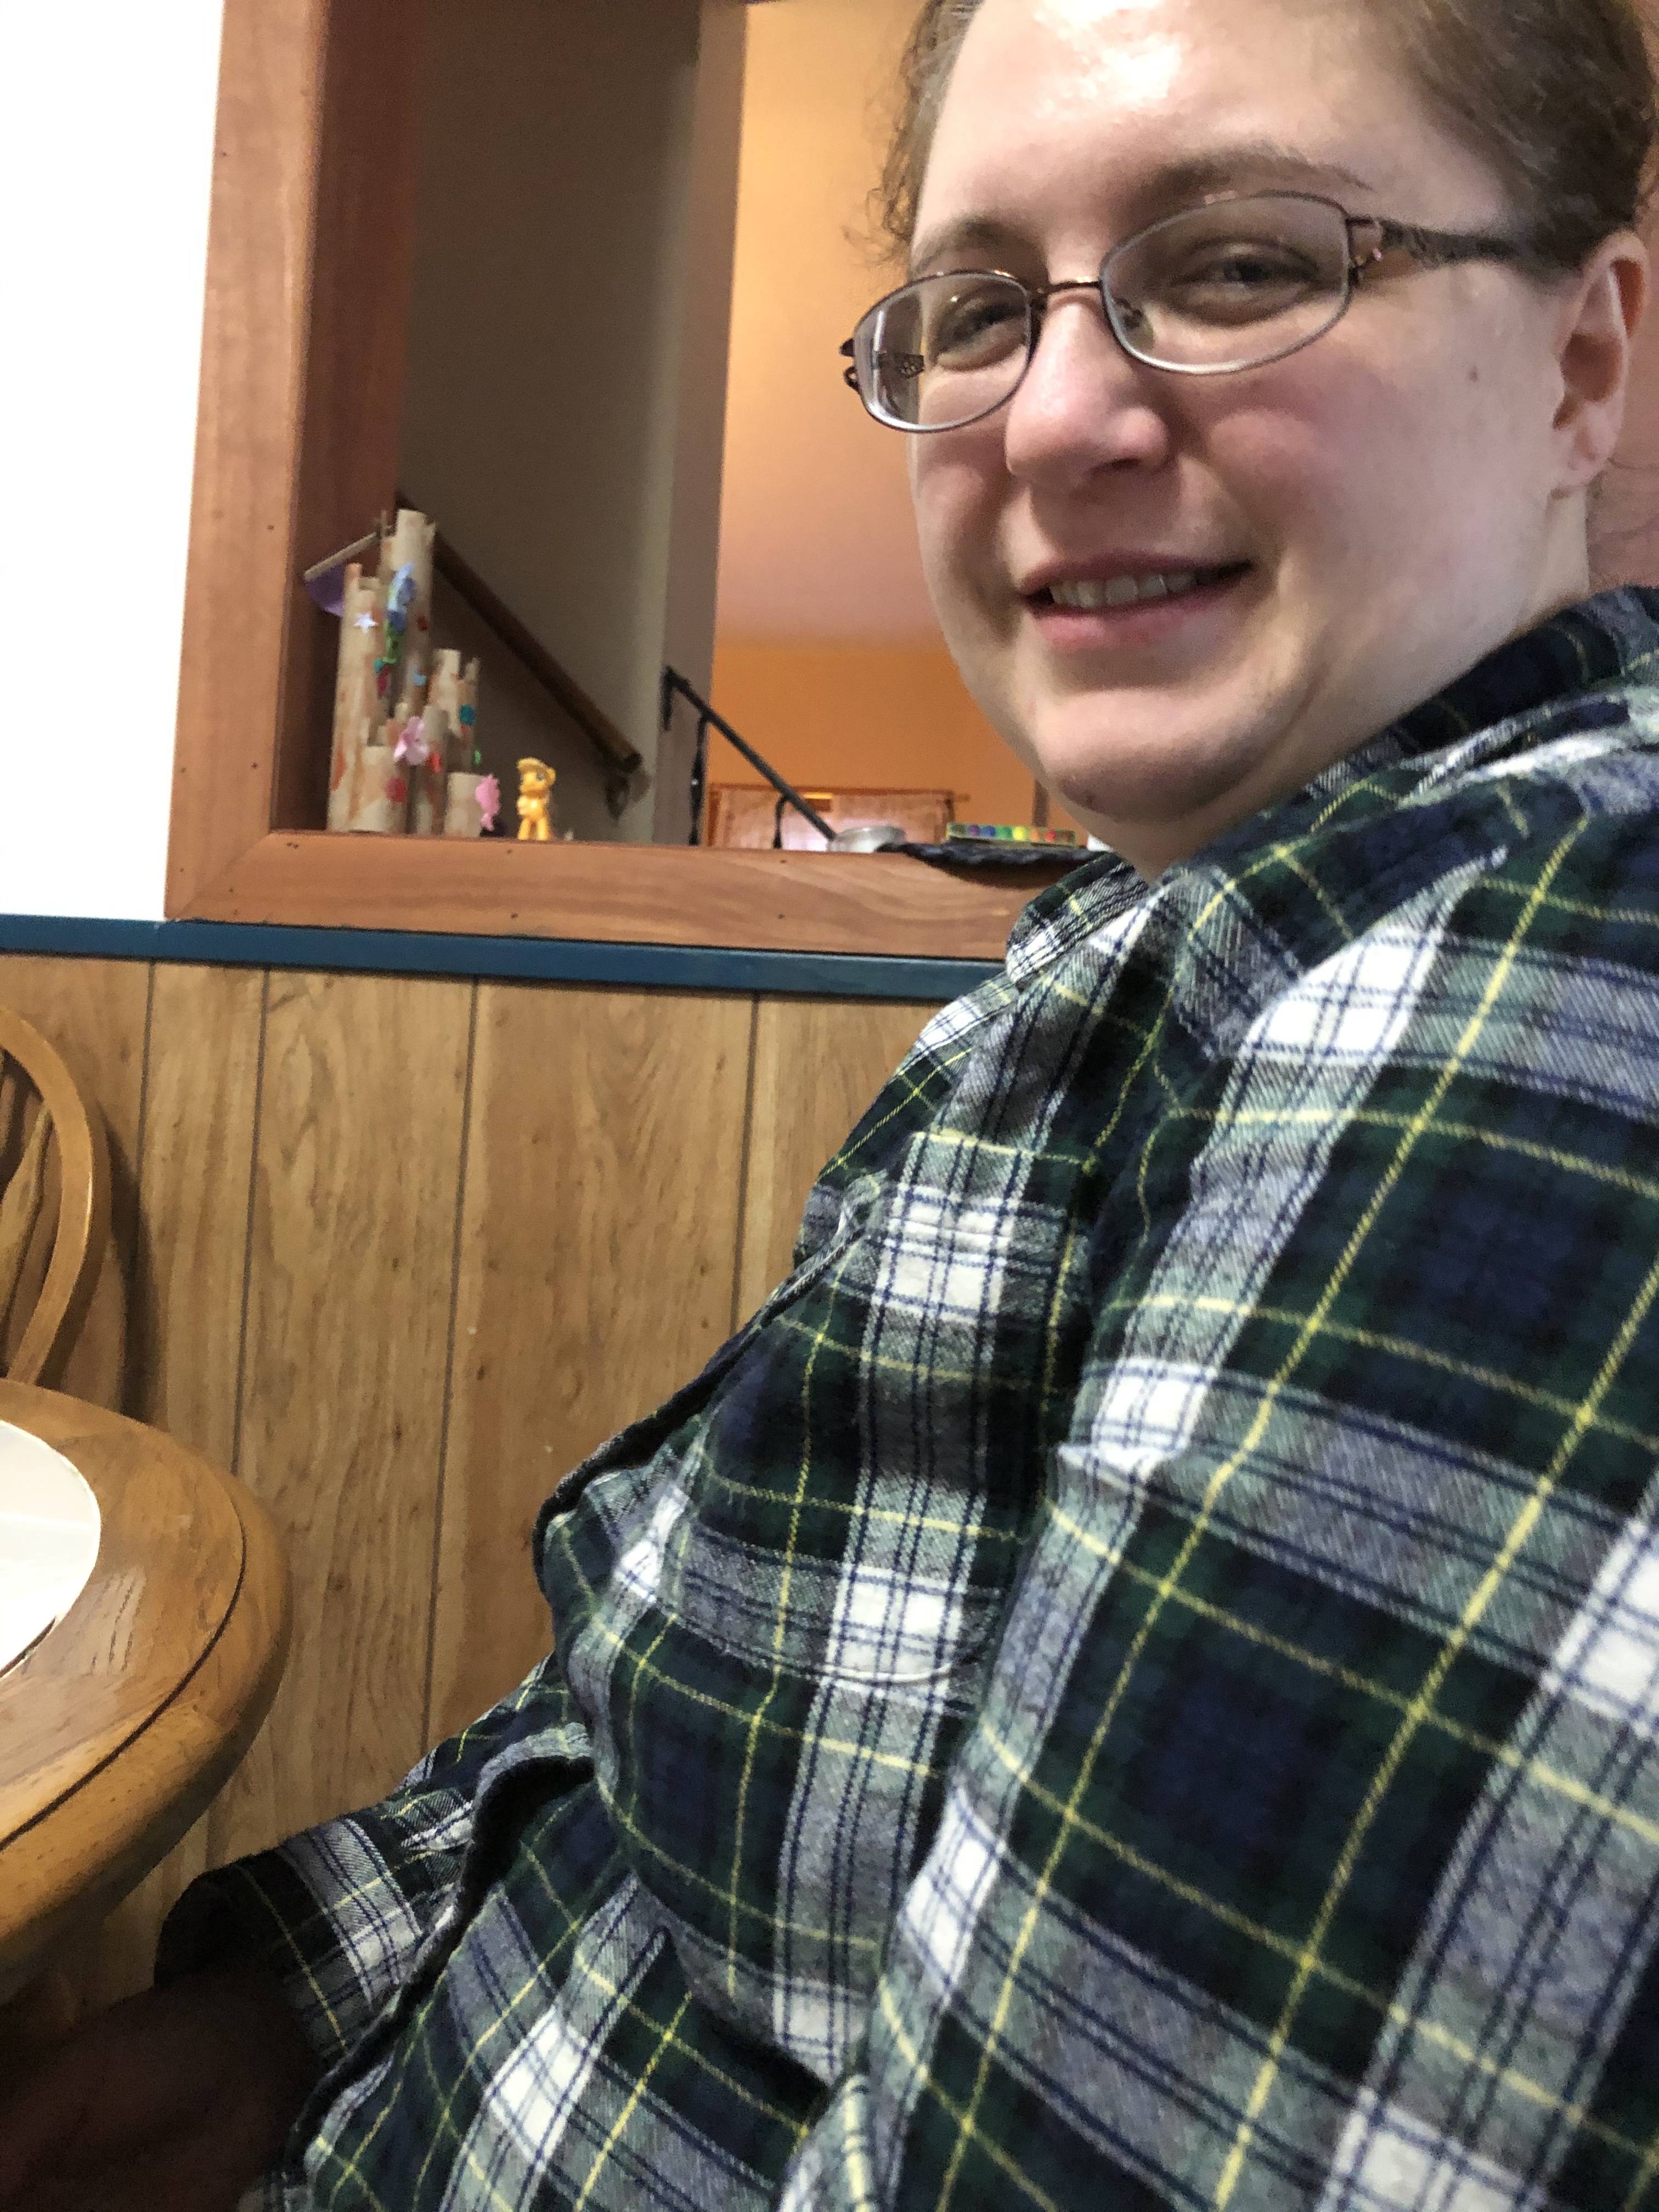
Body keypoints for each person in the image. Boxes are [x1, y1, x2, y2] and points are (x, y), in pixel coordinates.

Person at [6, 0, 1659, 2201]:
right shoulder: (1166, 932)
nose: (1055, 413)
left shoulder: (1536, 990)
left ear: (1583, 360)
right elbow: (660, 1703)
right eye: (976, 308)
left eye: (1245, 263)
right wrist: (268, 2023)